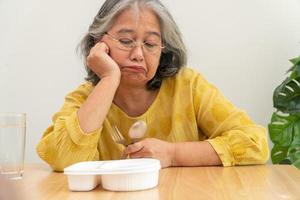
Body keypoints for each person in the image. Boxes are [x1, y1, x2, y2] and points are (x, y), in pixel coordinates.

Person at [36, 0, 269, 171]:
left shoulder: (188, 86)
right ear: (99, 44)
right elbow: (63, 159)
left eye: (150, 44)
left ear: (163, 50)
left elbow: (254, 143)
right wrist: (109, 79)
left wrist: (173, 154)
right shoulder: (84, 99)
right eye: (126, 41)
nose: (138, 54)